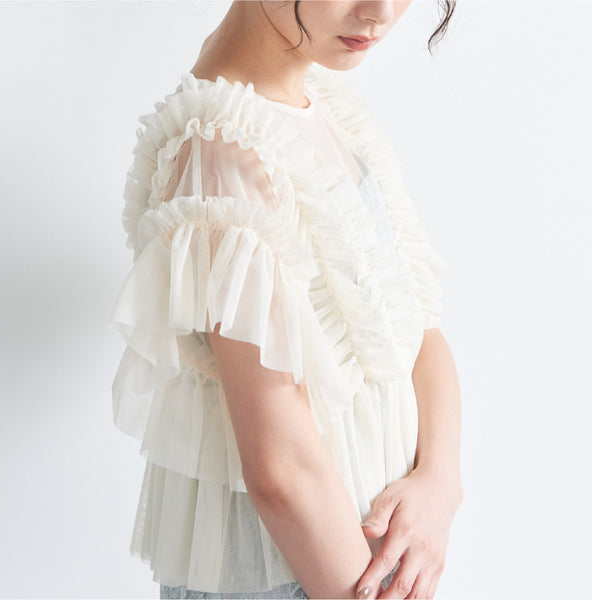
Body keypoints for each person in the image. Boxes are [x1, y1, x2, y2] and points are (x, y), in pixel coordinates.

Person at [108, 1, 462, 599]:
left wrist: (441, 482)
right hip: (308, 574)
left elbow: (414, 327)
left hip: (380, 559)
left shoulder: (321, 106)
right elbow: (281, 468)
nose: (379, 12)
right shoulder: (226, 148)